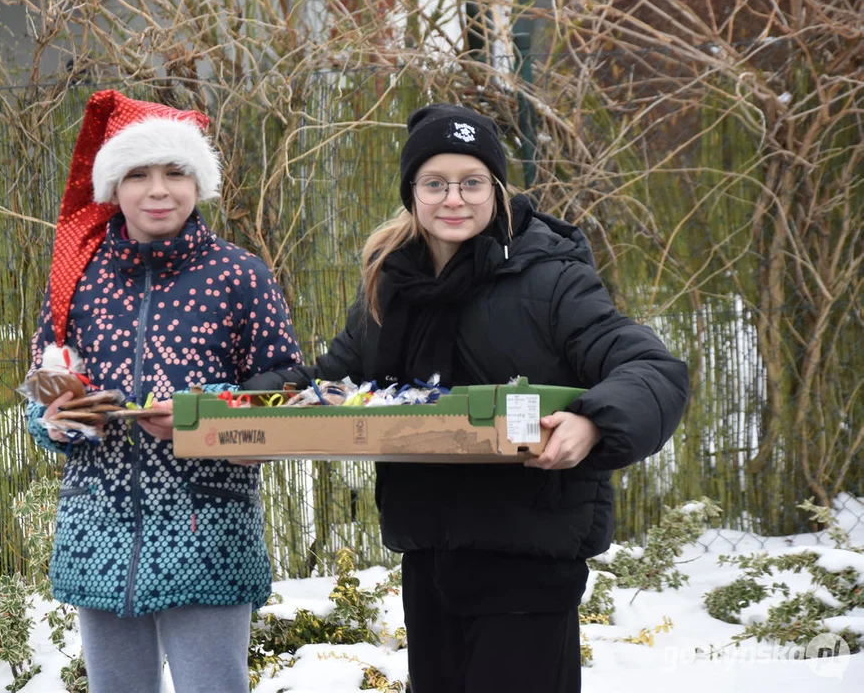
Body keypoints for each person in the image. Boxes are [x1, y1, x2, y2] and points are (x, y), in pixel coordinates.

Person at [243, 103, 689, 692]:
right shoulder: (390, 285)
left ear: (496, 189)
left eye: (472, 182)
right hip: (429, 561)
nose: (454, 199)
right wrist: (239, 411)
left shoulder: (553, 278)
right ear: (412, 193)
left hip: (527, 559)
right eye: (435, 183)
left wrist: (593, 424)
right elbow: (331, 385)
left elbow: (651, 367)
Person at [24, 90, 302, 693]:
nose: (158, 190)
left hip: (207, 529)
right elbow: (40, 392)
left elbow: (287, 387)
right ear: (113, 187)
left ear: (198, 183)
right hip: (98, 532)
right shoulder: (75, 280)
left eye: (175, 173)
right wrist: (56, 419)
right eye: (138, 174)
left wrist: (203, 416)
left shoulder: (241, 276)